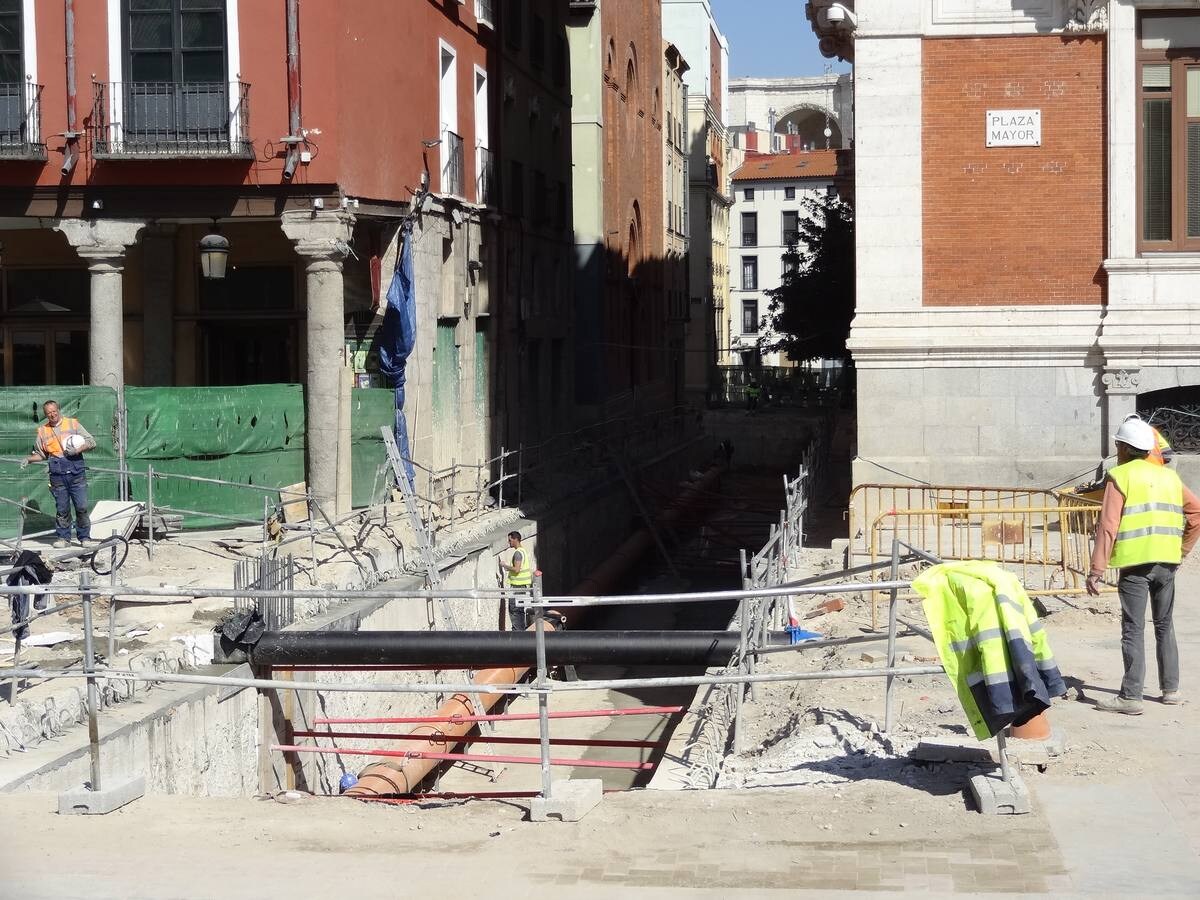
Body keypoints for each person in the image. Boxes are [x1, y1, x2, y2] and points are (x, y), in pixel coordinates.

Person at [1086, 416, 1200, 714]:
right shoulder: (1169, 477)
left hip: (1135, 565)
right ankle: (1171, 690)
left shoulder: (1120, 476)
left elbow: (1108, 527)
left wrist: (1096, 570)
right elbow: (1196, 512)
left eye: (1117, 445)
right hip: (1167, 562)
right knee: (1165, 625)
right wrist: (1182, 549)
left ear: (1123, 447)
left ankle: (1131, 696)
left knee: (1133, 628)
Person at [22, 400, 96, 548]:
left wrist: (77, 450)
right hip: (57, 475)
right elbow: (41, 454)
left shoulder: (72, 424)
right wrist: (28, 459)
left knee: (81, 507)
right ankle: (63, 538)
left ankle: (85, 538)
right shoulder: (43, 431)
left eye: (54, 411)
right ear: (46, 414)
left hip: (76, 473)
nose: (52, 414)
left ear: (58, 409)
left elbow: (91, 442)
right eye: (49, 413)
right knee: (62, 509)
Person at [501, 531, 535, 630]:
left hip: (517, 587)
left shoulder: (518, 553)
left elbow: (517, 569)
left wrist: (505, 566)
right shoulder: (523, 551)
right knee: (519, 611)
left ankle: (518, 634)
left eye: (510, 540)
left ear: (515, 539)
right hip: (521, 586)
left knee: (515, 611)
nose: (509, 542)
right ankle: (520, 632)